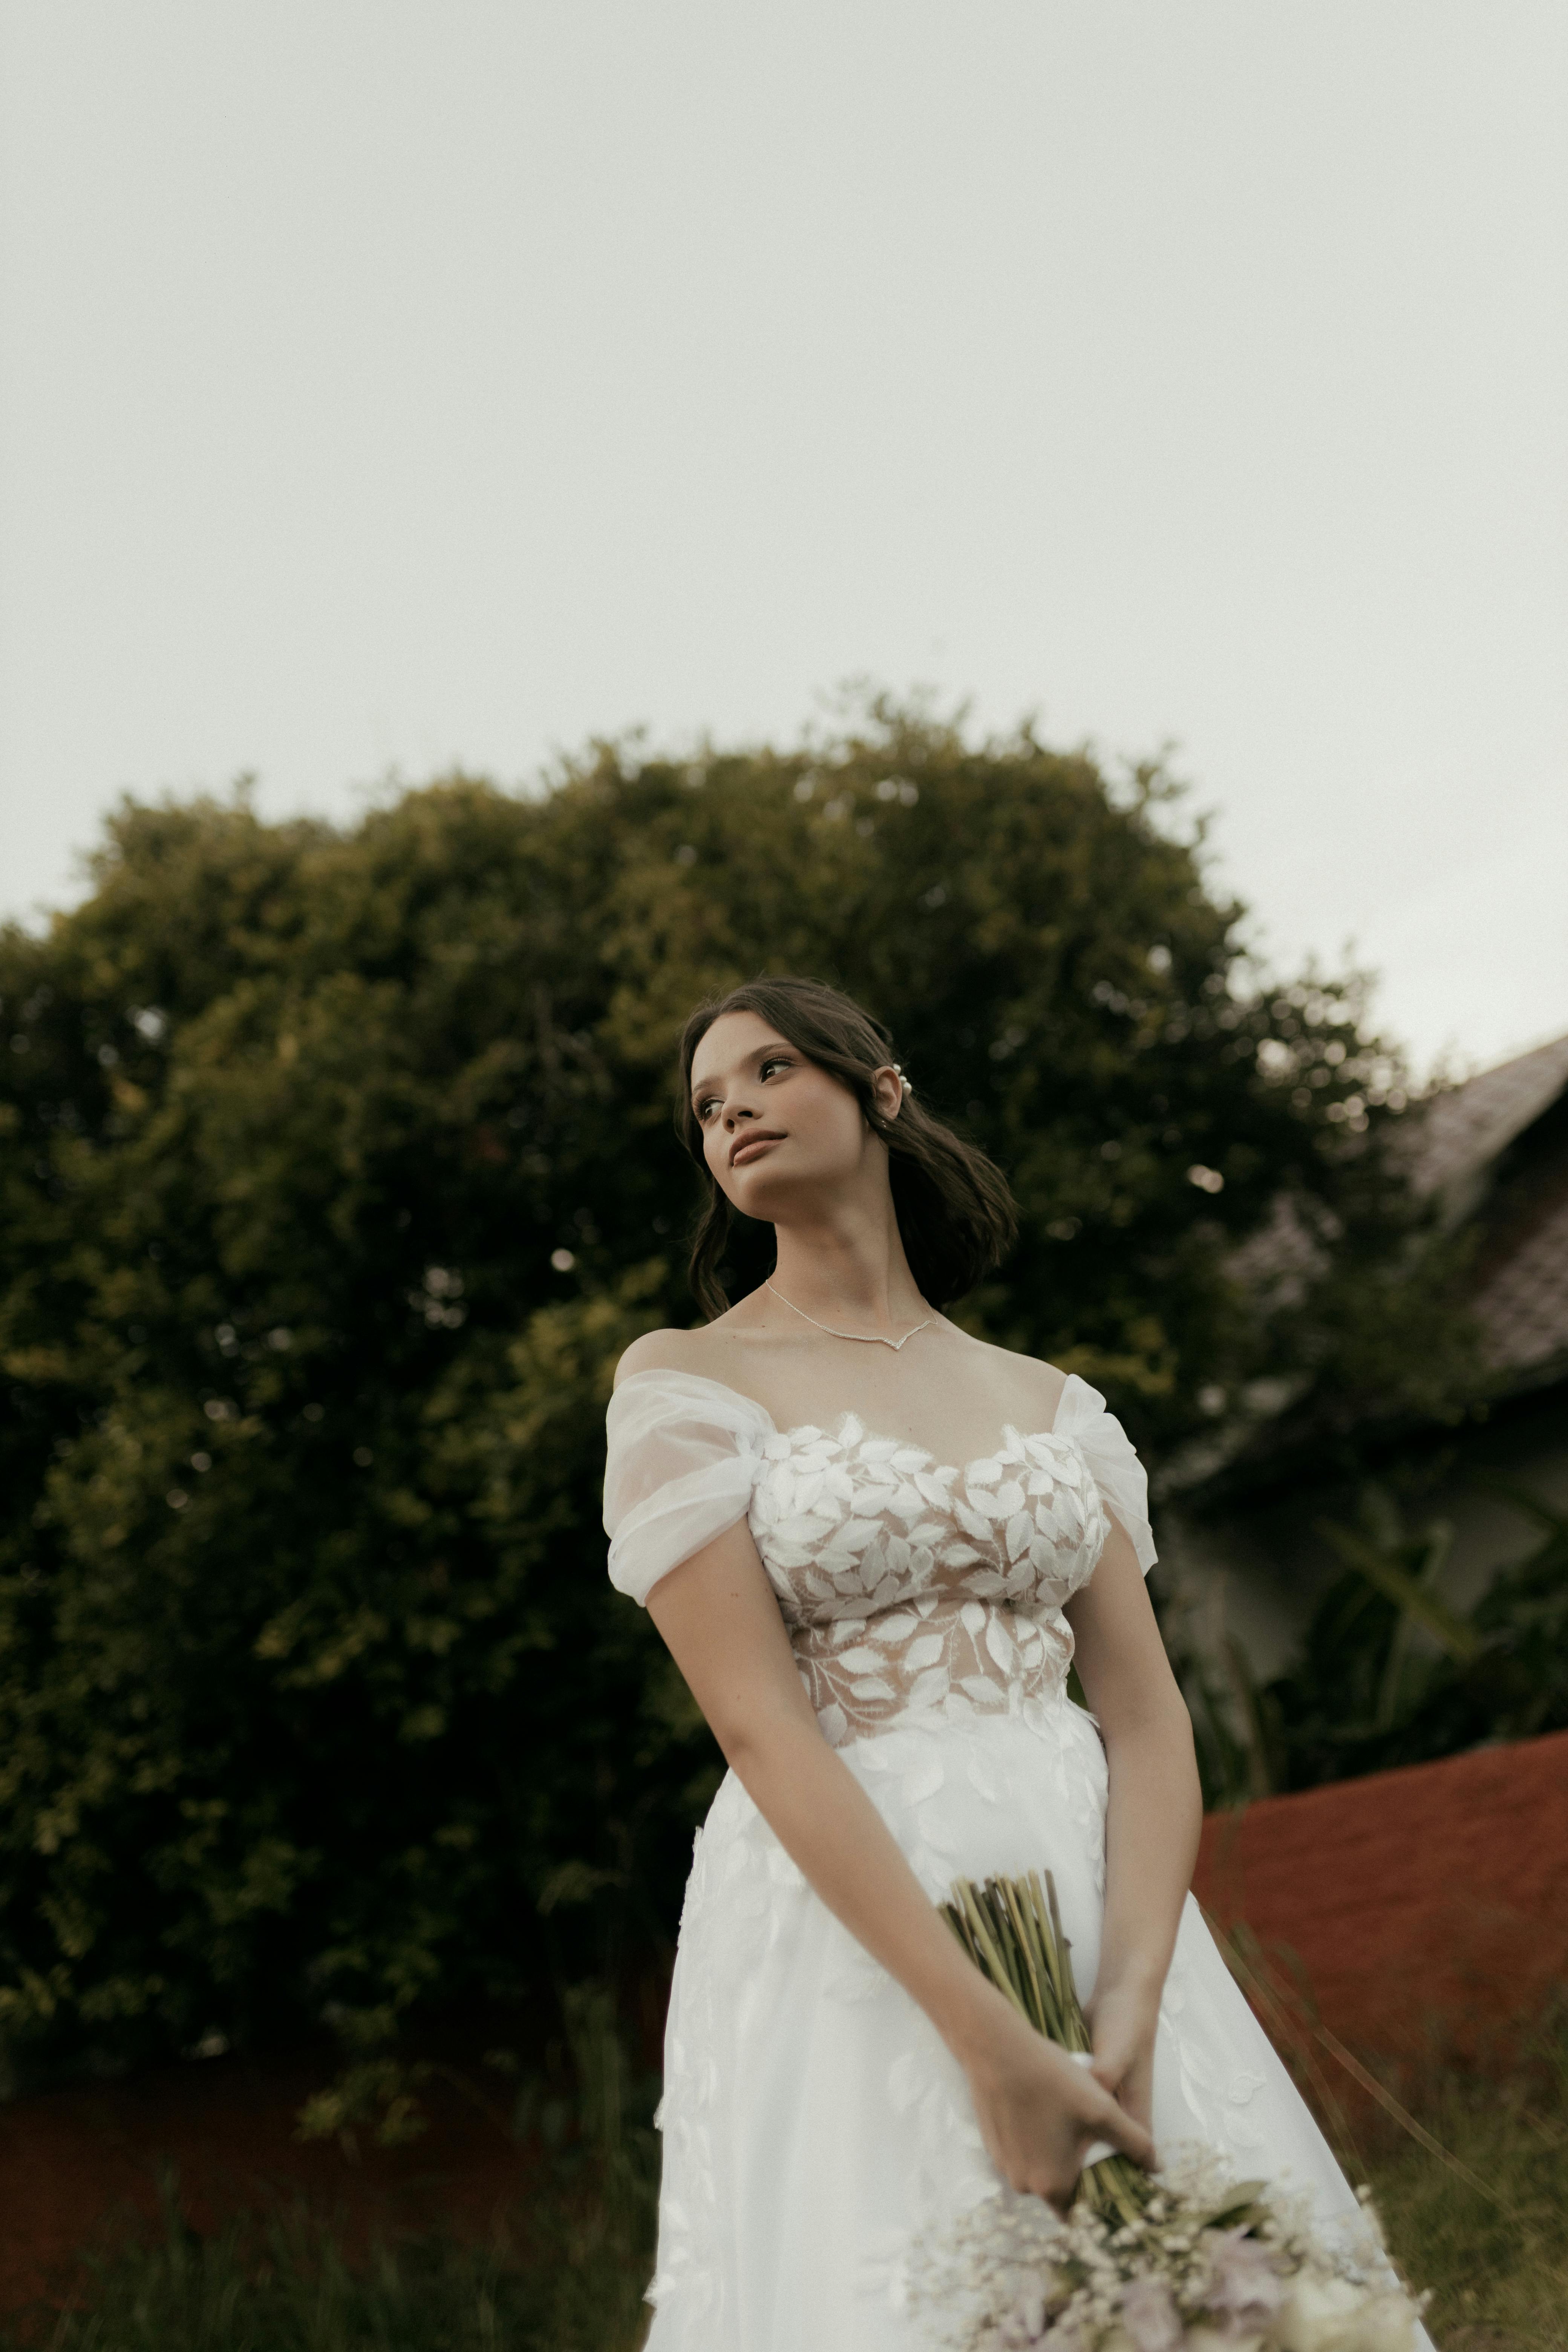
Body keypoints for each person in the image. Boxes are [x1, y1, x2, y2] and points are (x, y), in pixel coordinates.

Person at [603, 977, 1410, 2351]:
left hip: (1097, 1891)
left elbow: (1148, 1719)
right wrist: (986, 2037)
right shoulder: (687, 1387)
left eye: (771, 1068)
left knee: (1189, 2290)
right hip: (854, 1918)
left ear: (882, 1091)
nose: (729, 1106)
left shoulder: (1050, 1404)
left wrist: (1134, 2004)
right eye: (705, 1103)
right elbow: (760, 1729)